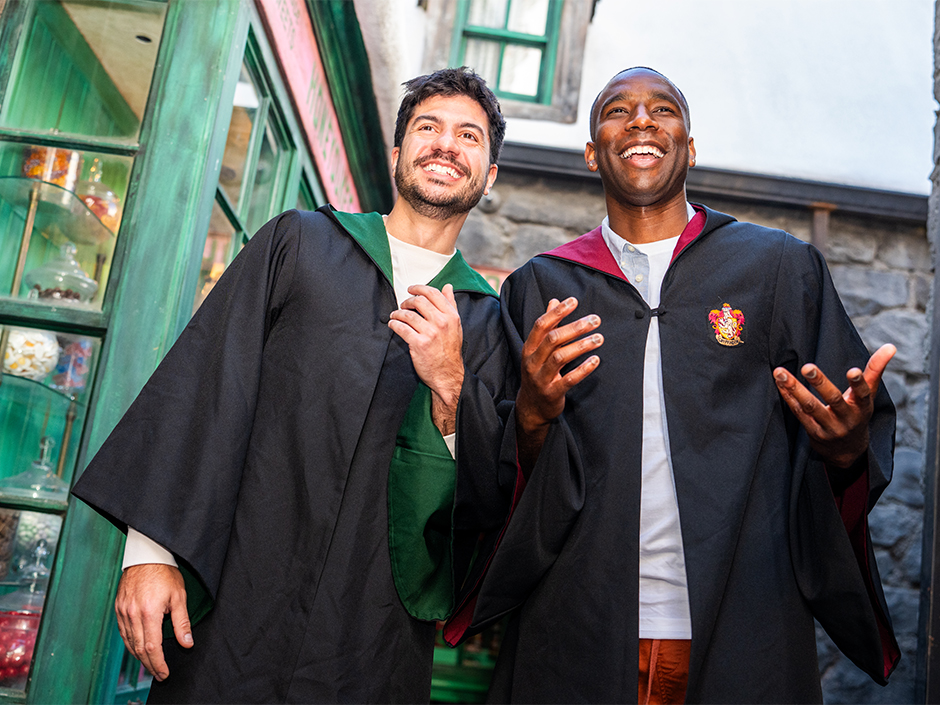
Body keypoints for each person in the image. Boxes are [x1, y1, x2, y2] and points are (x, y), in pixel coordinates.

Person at [443, 67, 900, 703]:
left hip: (742, 626)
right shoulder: (542, 289)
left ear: (689, 145)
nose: (640, 121)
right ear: (590, 151)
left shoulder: (775, 270)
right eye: (616, 111)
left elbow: (854, 442)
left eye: (663, 110)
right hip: (578, 627)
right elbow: (493, 480)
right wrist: (531, 415)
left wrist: (847, 448)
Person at [72, 67, 514, 703]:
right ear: (397, 154)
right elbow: (205, 388)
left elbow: (486, 507)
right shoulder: (300, 245)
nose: (446, 144)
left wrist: (450, 387)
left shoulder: (490, 325)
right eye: (428, 127)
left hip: (373, 636)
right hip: (236, 602)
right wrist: (150, 554)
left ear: (489, 175)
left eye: (469, 136)